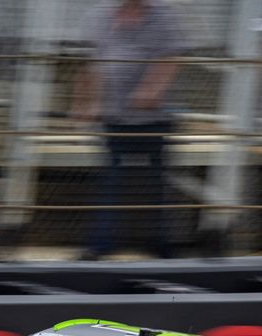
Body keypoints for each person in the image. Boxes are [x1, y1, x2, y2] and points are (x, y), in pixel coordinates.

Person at [72, 0, 187, 260]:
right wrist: (87, 102)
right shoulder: (101, 15)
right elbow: (93, 63)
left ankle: (161, 246)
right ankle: (100, 245)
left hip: (154, 120)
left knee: (155, 183)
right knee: (110, 182)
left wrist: (150, 91)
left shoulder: (162, 16)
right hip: (114, 118)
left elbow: (169, 59)